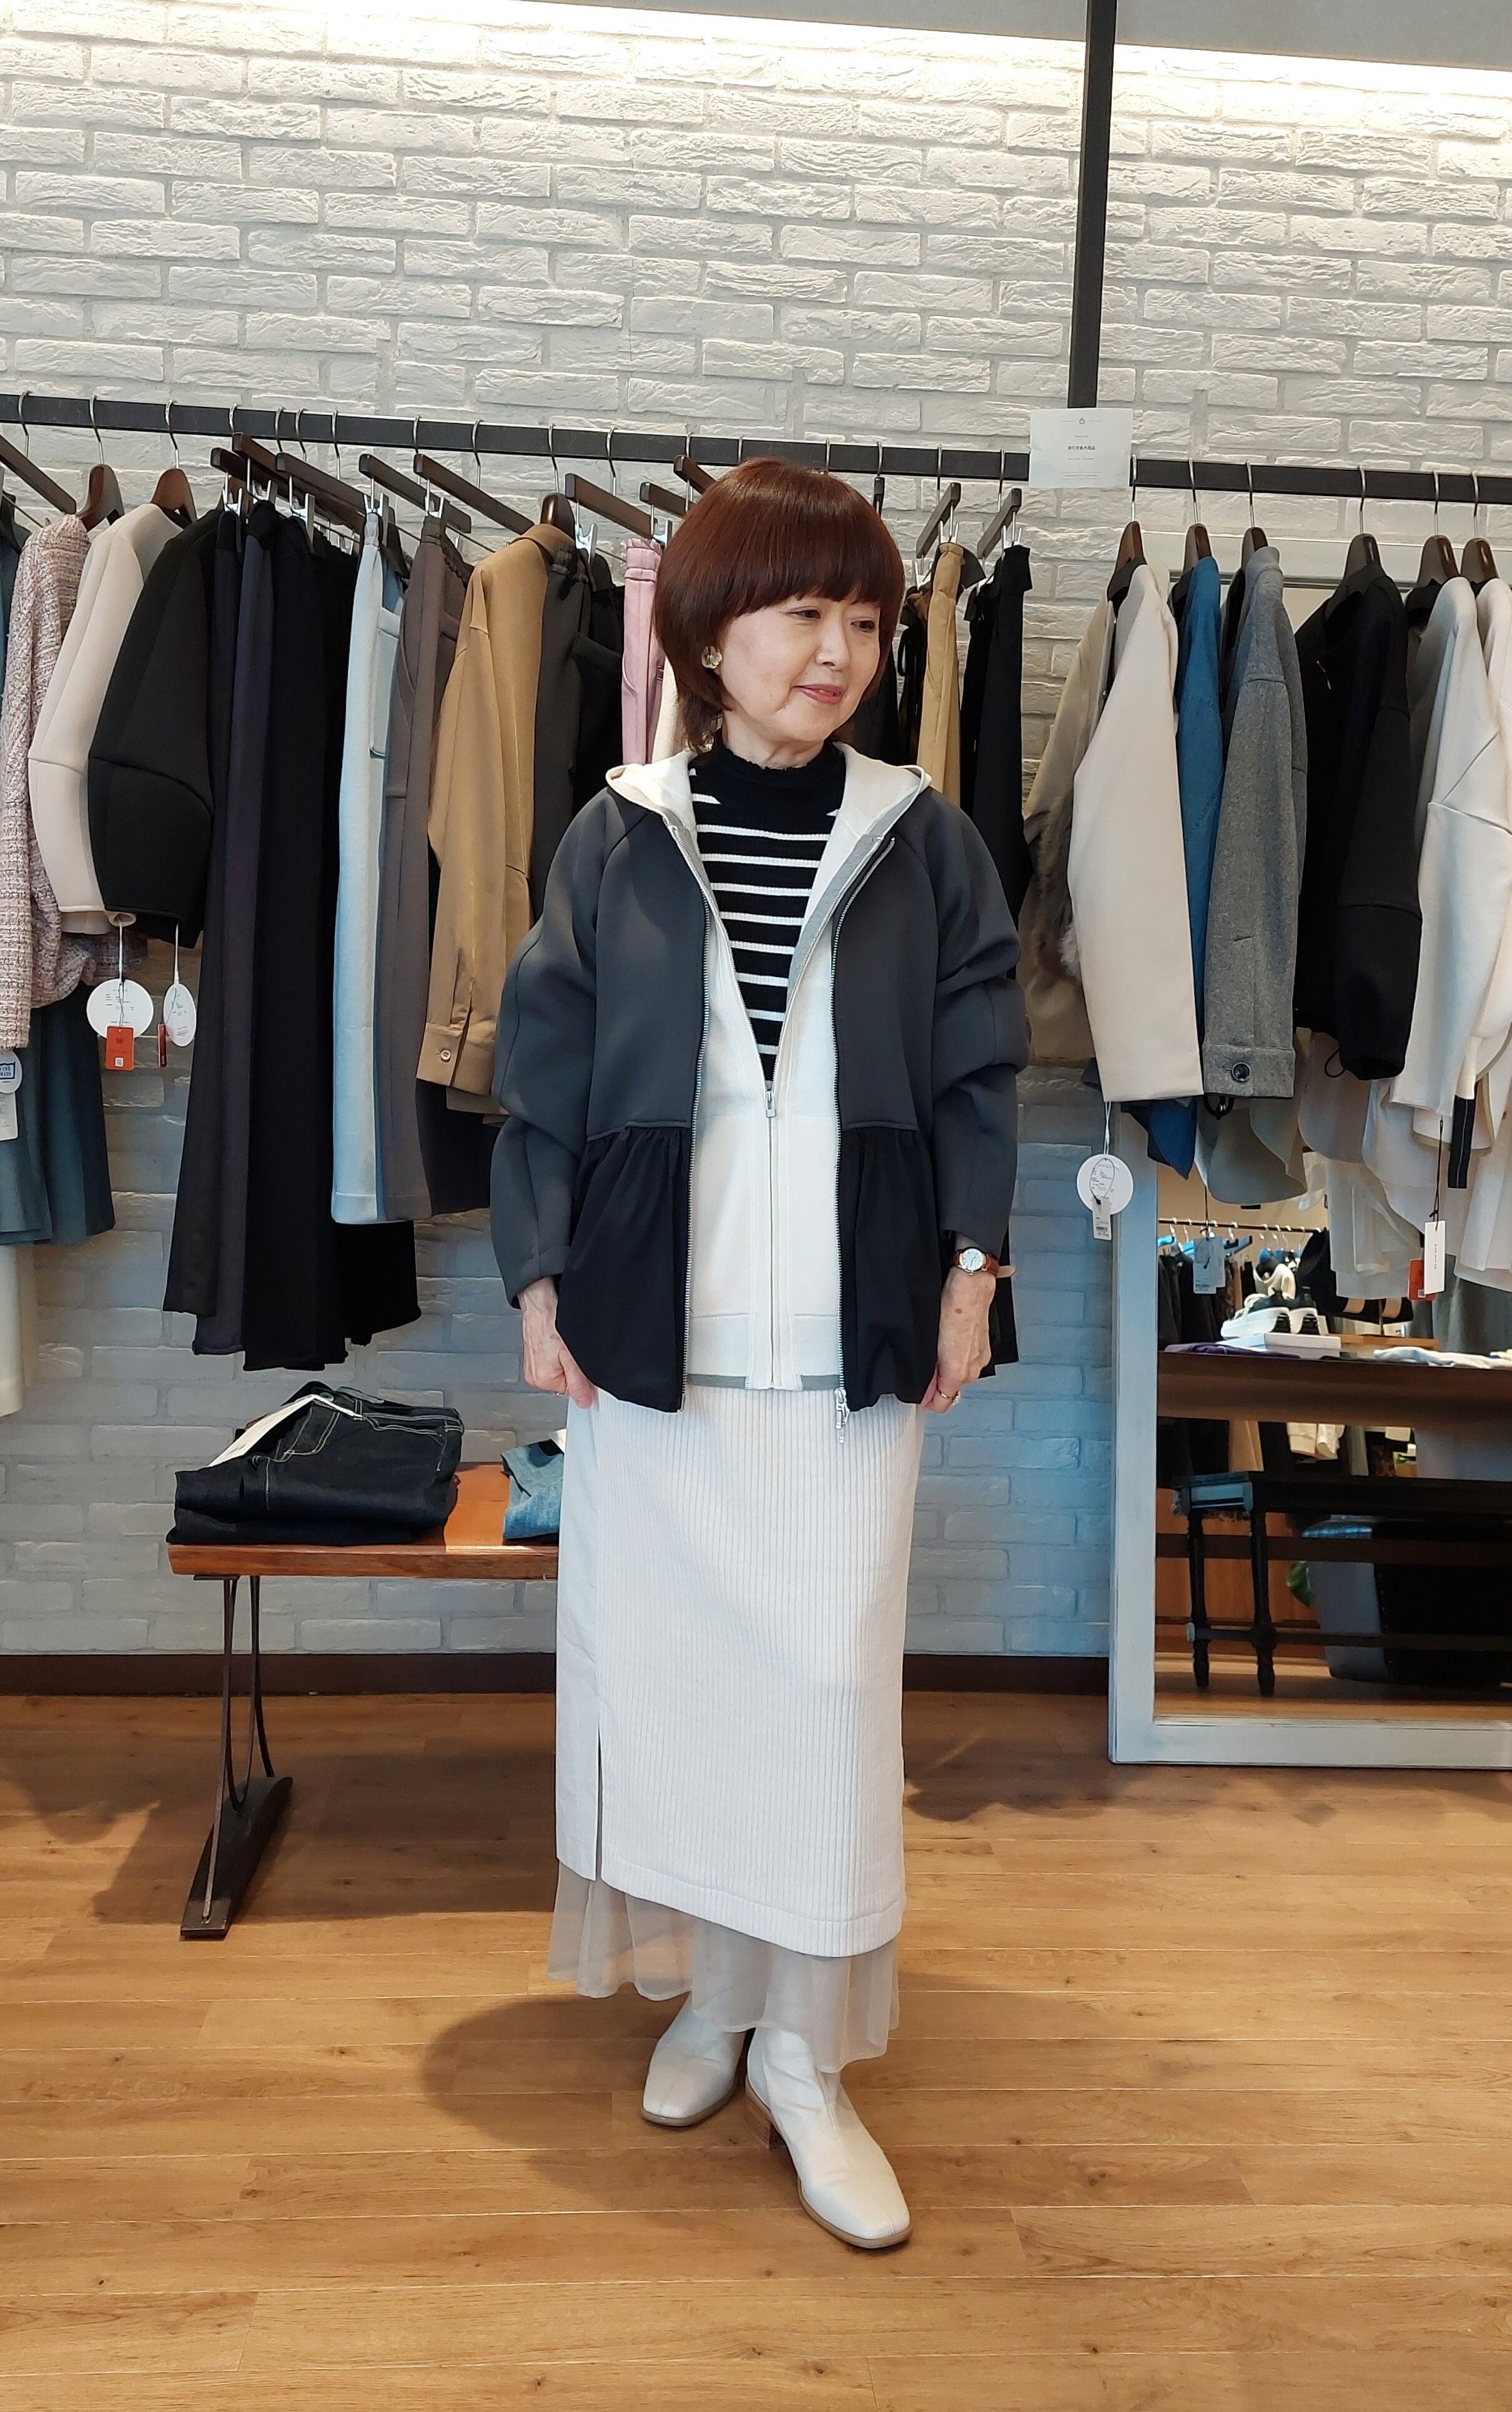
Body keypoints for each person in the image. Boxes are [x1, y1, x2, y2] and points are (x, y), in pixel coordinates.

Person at [491, 458, 1025, 2250]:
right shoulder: (619, 827)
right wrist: (539, 1279)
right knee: (678, 1686)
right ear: (711, 633)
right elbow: (545, 1079)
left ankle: (808, 2052)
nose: (839, 651)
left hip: (849, 1343)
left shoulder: (923, 833)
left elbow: (979, 1075)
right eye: (804, 613)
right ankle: (717, 1994)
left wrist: (972, 1270)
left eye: (865, 619)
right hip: (656, 1335)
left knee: (822, 1699)